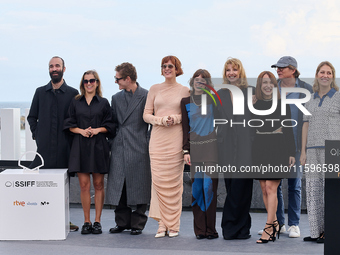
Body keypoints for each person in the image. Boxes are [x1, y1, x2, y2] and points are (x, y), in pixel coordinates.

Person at [27, 56, 79, 231]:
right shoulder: (40, 92)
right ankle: (44, 220)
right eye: (51, 66)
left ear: (64, 69)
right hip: (44, 150)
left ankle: (65, 220)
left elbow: (76, 119)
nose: (54, 68)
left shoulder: (73, 93)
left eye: (57, 66)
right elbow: (32, 117)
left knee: (64, 188)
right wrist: (37, 135)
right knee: (44, 187)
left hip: (65, 147)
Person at [143, 55, 190, 238]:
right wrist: (160, 120)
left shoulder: (185, 90)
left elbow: (186, 116)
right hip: (157, 140)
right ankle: (162, 224)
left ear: (177, 68)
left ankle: (174, 225)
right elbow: (146, 115)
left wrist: (174, 119)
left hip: (175, 140)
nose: (167, 69)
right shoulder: (154, 89)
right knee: (159, 183)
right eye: (164, 66)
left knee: (174, 183)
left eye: (170, 66)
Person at [64, 70, 114, 235]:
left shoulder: (104, 102)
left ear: (97, 82)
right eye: (86, 81)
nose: (89, 83)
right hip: (80, 147)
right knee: (84, 186)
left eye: (92, 80)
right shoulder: (75, 102)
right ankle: (87, 221)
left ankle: (98, 221)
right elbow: (68, 124)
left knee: (99, 185)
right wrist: (81, 131)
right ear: (82, 83)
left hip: (99, 146)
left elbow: (111, 125)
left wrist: (98, 129)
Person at [270, 56, 313, 238]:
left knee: (295, 185)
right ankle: (279, 223)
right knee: (276, 185)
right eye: (277, 68)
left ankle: (294, 224)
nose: (278, 70)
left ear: (293, 70)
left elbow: (310, 119)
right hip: (276, 144)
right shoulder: (272, 88)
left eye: (282, 68)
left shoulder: (306, 89)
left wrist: (306, 148)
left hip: (297, 143)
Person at [106, 62, 151, 235]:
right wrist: (113, 142)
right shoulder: (116, 98)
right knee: (119, 185)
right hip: (119, 146)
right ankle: (122, 222)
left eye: (118, 79)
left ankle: (138, 223)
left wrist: (147, 142)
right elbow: (114, 123)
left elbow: (151, 122)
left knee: (140, 185)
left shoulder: (146, 95)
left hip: (139, 146)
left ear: (128, 78)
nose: (116, 82)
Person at [252, 71, 295, 243]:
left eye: (270, 82)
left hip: (277, 146)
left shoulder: (283, 104)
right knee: (264, 188)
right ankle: (275, 223)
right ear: (259, 86)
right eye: (264, 83)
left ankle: (269, 227)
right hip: (259, 146)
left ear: (275, 85)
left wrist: (291, 152)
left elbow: (289, 129)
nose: (268, 85)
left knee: (271, 187)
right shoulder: (254, 104)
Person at [300, 61, 340, 244]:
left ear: (332, 76)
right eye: (322, 72)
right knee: (313, 192)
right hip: (312, 150)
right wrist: (303, 151)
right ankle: (316, 232)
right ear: (317, 75)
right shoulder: (310, 99)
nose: (325, 75)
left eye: (328, 72)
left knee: (330, 193)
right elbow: (305, 125)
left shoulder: (338, 97)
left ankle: (330, 231)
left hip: (333, 150)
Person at [216, 58, 254, 240]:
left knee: (243, 188)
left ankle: (238, 227)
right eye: (228, 70)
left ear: (240, 72)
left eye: (235, 70)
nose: (231, 73)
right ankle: (234, 228)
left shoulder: (250, 92)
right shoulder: (220, 94)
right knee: (231, 187)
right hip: (226, 147)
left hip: (246, 145)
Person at [181, 69, 219, 240]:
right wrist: (185, 150)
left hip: (211, 150)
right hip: (194, 151)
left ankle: (211, 230)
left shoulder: (213, 101)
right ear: (192, 81)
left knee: (208, 189)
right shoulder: (185, 102)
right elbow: (184, 129)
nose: (199, 82)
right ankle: (200, 230)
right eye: (197, 79)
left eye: (203, 80)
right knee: (197, 190)